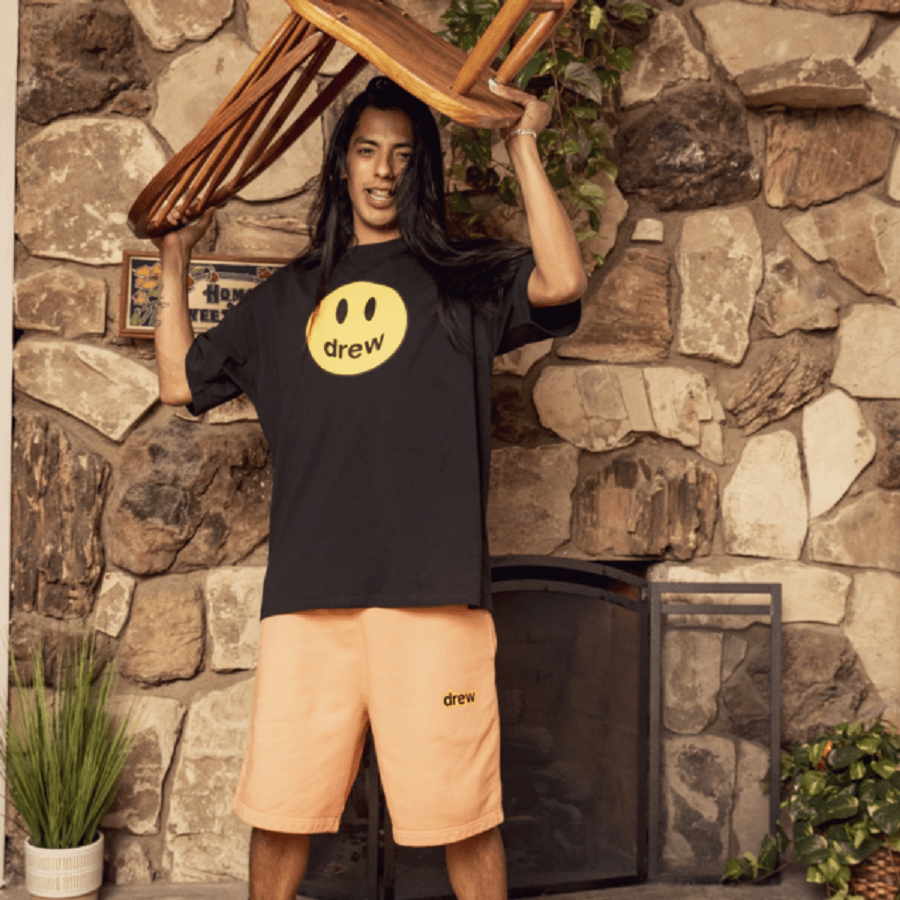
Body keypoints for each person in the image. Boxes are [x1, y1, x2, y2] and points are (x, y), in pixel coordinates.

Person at [152, 75, 586, 900]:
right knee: (281, 809)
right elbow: (180, 381)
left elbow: (562, 281)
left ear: (422, 170)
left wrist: (522, 140)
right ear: (341, 166)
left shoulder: (463, 279)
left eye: (403, 154)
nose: (383, 170)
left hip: (434, 595)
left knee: (464, 815)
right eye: (366, 150)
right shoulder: (282, 301)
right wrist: (175, 256)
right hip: (308, 599)